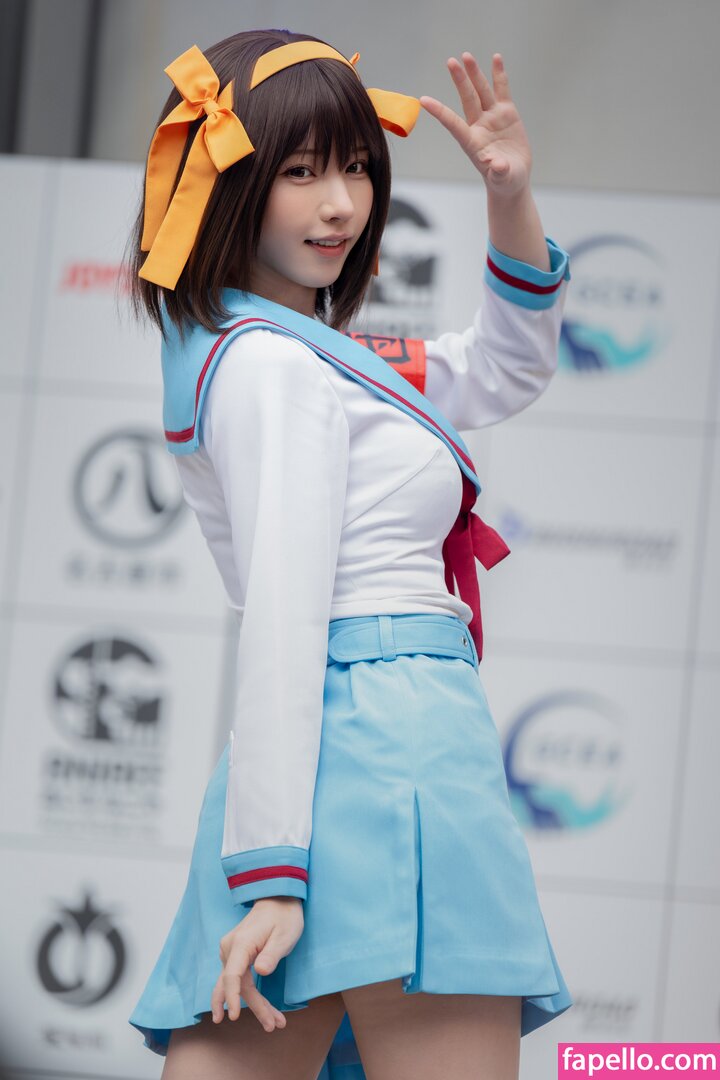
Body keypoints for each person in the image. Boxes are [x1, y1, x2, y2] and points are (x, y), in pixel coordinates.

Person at [124, 27, 573, 1080]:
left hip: (335, 748)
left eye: (359, 169)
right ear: (227, 182)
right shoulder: (272, 366)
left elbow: (501, 369)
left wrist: (508, 195)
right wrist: (273, 873)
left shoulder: (303, 354)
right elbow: (288, 613)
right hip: (388, 737)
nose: (341, 206)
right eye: (300, 172)